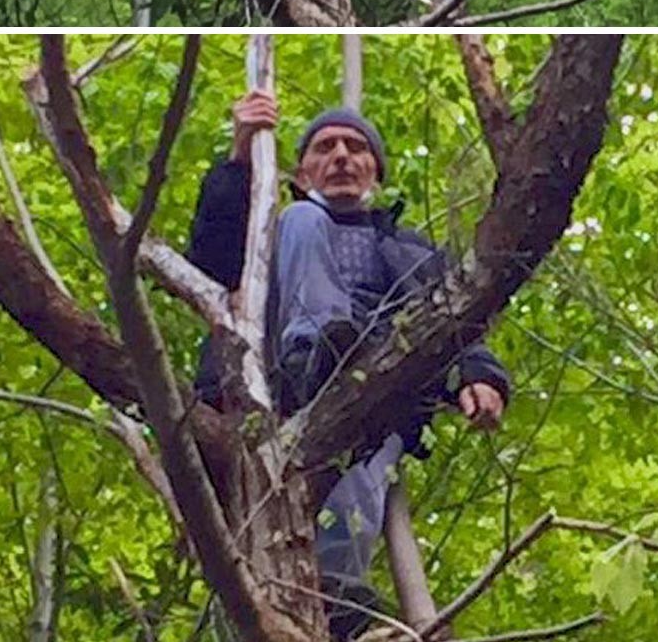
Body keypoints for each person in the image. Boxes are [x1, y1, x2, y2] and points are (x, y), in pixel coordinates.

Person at [184, 92, 510, 640]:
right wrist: (241, 156)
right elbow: (210, 259)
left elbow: (455, 314)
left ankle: (332, 604)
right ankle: (318, 347)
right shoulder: (275, 228)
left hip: (371, 388)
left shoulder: (409, 249)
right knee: (304, 220)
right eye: (324, 147)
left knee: (357, 496)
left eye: (356, 148)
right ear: (300, 168)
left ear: (375, 172)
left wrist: (480, 375)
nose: (341, 156)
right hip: (278, 383)